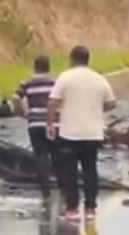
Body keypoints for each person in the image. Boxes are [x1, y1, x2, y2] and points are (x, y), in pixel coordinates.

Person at [47, 46, 116, 223]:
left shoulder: (65, 77)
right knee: (90, 170)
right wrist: (96, 108)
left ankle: (72, 209)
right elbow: (111, 103)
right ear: (88, 59)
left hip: (69, 132)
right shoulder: (99, 79)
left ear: (72, 59)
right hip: (93, 133)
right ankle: (91, 208)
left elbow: (53, 102)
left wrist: (50, 124)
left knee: (69, 172)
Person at [14, 55, 61, 199]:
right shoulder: (56, 83)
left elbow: (16, 98)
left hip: (34, 124)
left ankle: (45, 189)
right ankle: (60, 184)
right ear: (49, 68)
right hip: (54, 123)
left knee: (40, 155)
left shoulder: (27, 83)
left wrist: (22, 113)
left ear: (35, 67)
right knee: (57, 155)